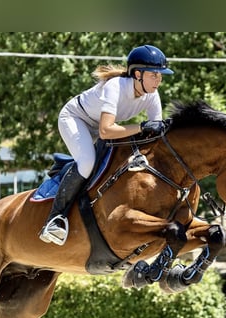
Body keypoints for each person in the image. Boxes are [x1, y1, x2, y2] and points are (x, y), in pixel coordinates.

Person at [38, 44, 174, 246]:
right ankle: (55, 219)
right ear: (138, 74)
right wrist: (142, 125)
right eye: (154, 75)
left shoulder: (152, 95)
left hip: (106, 126)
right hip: (76, 119)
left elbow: (155, 134)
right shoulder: (116, 87)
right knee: (87, 163)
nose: (159, 80)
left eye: (160, 75)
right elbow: (106, 131)